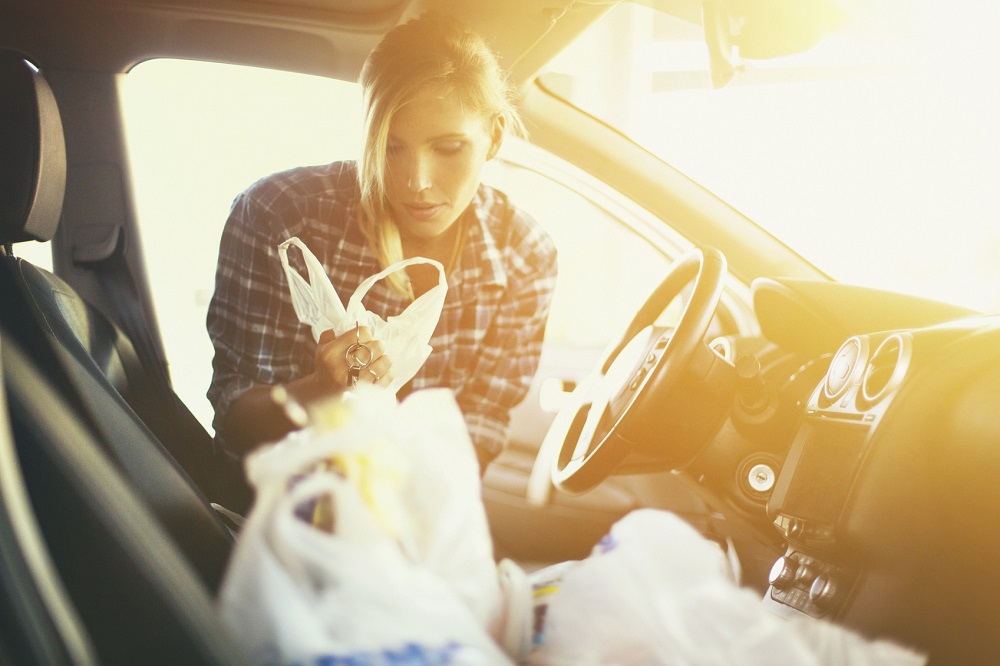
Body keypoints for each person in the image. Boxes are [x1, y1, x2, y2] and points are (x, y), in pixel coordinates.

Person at [206, 11, 558, 478]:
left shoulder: (524, 257)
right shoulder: (281, 218)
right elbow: (234, 423)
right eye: (391, 147)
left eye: (448, 148)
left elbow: (481, 423)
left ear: (493, 137)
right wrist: (320, 390)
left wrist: (415, 505)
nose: (417, 182)